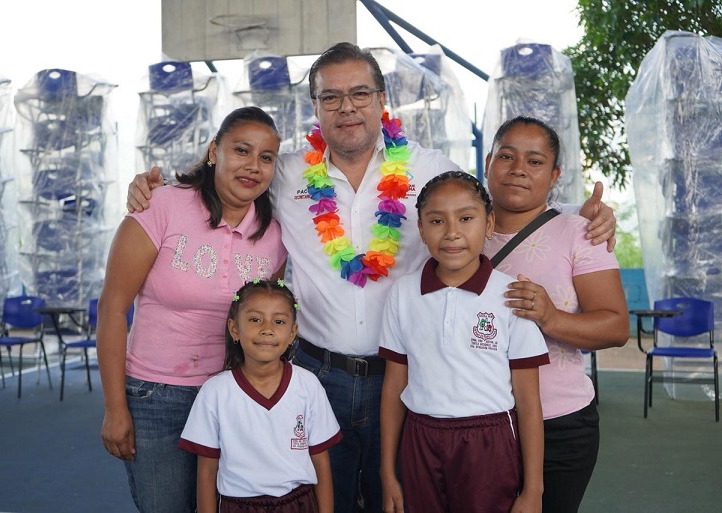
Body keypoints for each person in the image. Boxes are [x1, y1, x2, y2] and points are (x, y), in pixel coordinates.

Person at [125, 43, 617, 513]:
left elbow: (490, 205)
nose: (347, 107)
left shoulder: (428, 167)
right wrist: (160, 186)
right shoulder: (287, 174)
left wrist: (579, 215)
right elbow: (230, 177)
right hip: (318, 377)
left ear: (382, 99)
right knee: (321, 500)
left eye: (360, 93)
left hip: (407, 380)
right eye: (331, 96)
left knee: (398, 499)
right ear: (315, 107)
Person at [97, 106, 288, 513]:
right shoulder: (161, 205)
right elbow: (112, 309)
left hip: (233, 395)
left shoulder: (274, 234)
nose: (253, 166)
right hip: (156, 396)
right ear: (214, 151)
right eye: (241, 150)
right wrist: (115, 408)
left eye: (266, 157)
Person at [482, 116, 630, 513]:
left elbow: (616, 326)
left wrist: (551, 317)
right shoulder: (458, 230)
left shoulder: (581, 232)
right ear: (488, 163)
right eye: (506, 156)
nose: (518, 169)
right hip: (474, 421)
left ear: (554, 175)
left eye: (535, 162)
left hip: (557, 424)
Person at [378, 171, 549, 513]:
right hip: (420, 438)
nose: (452, 232)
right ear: (421, 229)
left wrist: (534, 489)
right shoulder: (403, 293)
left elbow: (529, 401)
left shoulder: (511, 295)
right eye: (437, 221)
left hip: (489, 441)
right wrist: (387, 472)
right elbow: (394, 386)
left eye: (466, 218)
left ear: (489, 224)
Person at [178, 279, 342, 513]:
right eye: (255, 320)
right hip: (239, 506)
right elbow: (206, 472)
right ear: (234, 329)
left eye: (279, 321)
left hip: (298, 504)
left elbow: (321, 463)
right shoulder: (215, 392)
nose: (267, 329)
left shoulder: (308, 385)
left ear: (292, 333)